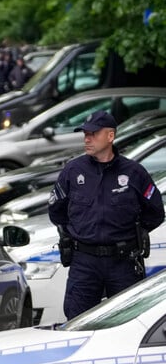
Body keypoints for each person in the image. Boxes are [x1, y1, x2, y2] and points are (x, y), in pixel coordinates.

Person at [48, 110, 164, 319]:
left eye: (93, 134)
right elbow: (56, 211)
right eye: (85, 134)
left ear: (110, 136)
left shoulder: (133, 173)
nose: (87, 139)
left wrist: (132, 234)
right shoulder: (73, 171)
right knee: (76, 320)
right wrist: (78, 232)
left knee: (129, 321)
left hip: (123, 262)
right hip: (84, 261)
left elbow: (155, 212)